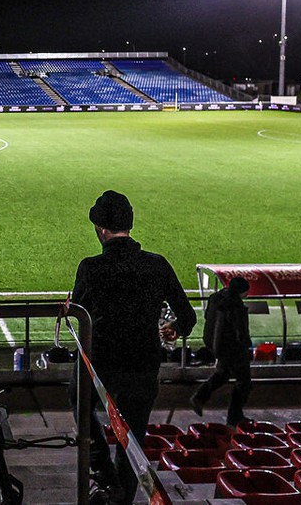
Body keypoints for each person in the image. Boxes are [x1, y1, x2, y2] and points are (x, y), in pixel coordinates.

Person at [71, 190, 196, 505]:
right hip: (143, 364)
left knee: (79, 401)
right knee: (132, 443)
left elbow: (79, 311)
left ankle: (104, 474)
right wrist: (175, 329)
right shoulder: (157, 264)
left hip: (102, 364)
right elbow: (188, 315)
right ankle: (120, 496)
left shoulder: (90, 267)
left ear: (101, 229)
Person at [190, 275, 253, 426]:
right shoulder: (235, 306)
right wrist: (246, 347)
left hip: (216, 345)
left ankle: (200, 397)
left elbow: (208, 317)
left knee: (222, 374)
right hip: (232, 349)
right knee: (244, 382)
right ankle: (234, 416)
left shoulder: (216, 298)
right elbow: (240, 332)